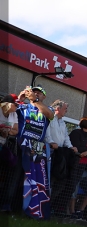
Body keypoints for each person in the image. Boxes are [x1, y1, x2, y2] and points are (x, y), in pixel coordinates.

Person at [14, 86, 54, 218]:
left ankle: (30, 210)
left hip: (36, 149)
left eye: (39, 93)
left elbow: (50, 115)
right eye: (34, 92)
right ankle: (10, 206)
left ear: (44, 97)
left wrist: (35, 100)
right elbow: (9, 111)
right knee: (16, 177)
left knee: (33, 180)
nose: (36, 94)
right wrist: (19, 99)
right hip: (21, 146)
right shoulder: (23, 107)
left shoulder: (47, 108)